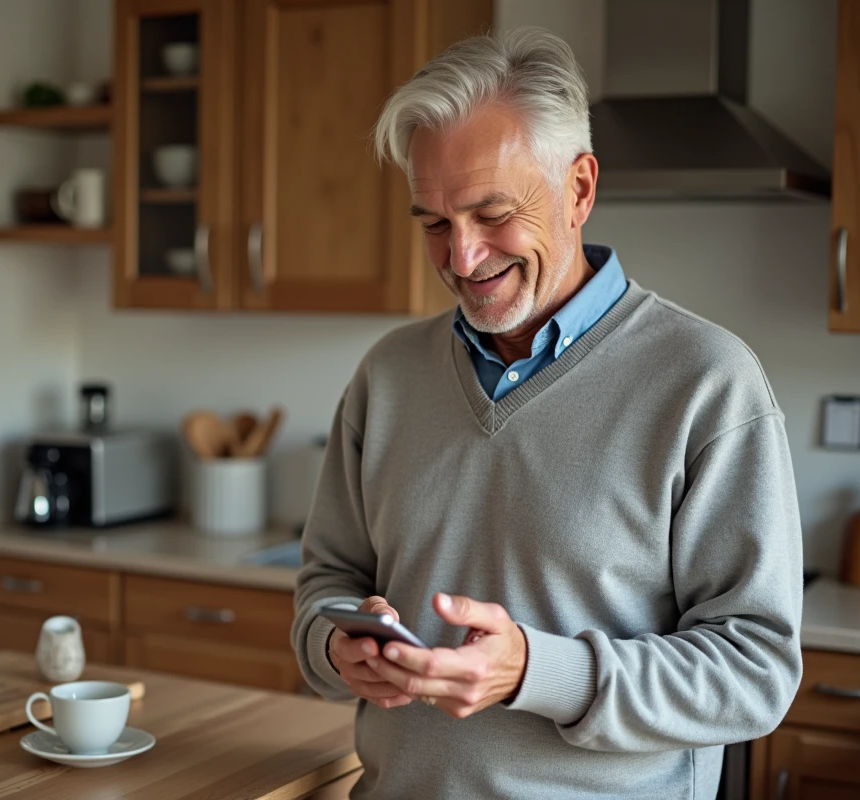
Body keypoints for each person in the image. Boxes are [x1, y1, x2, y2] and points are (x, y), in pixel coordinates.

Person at [291, 26, 803, 800]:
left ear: (580, 189)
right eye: (433, 222)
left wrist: (538, 670)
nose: (461, 258)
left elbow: (755, 673)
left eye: (491, 214)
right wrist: (336, 648)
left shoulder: (707, 382)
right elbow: (325, 583)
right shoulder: (388, 376)